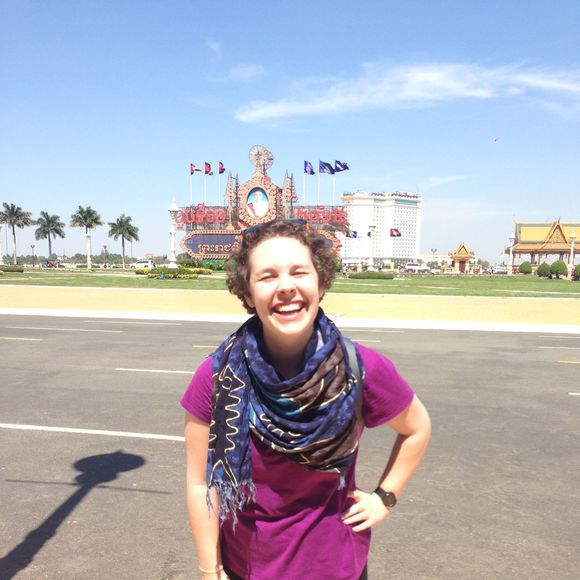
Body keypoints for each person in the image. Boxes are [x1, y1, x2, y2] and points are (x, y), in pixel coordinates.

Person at [181, 219, 431, 579]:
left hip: (336, 566)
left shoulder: (359, 367)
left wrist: (384, 498)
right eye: (267, 276)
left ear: (321, 283)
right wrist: (209, 569)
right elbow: (201, 483)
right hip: (247, 568)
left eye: (299, 272)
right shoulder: (217, 377)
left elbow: (417, 428)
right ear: (248, 294)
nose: (286, 287)